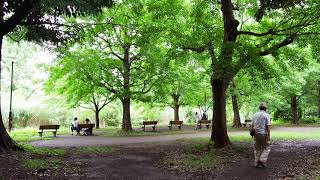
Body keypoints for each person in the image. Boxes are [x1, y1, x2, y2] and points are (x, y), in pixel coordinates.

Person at [251, 102, 271, 168]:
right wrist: (269, 135)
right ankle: (262, 160)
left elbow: (252, 125)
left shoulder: (255, 115)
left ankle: (257, 163)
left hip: (256, 134)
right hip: (263, 134)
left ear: (259, 108)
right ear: (265, 108)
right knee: (267, 147)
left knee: (257, 148)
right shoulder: (266, 115)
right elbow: (268, 126)